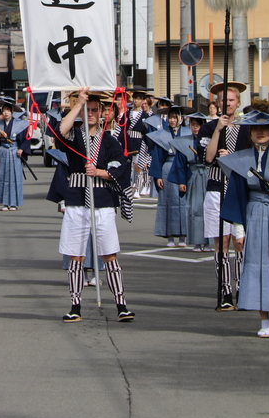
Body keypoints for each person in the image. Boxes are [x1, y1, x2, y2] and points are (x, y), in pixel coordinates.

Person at [57, 88, 134, 323]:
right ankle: (75, 304)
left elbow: (120, 168)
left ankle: (121, 303)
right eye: (87, 110)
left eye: (94, 110)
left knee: (110, 254)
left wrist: (100, 171)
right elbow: (60, 131)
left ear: (101, 112)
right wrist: (78, 105)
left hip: (102, 200)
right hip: (77, 199)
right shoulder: (75, 136)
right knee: (76, 256)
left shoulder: (110, 140)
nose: (90, 114)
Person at [220, 112, 269, 338]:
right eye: (255, 130)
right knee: (256, 267)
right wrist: (239, 229)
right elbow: (236, 194)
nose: (260, 132)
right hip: (254, 213)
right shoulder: (242, 158)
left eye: (265, 129)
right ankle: (264, 321)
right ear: (250, 134)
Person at [197, 82, 251, 310]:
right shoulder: (208, 128)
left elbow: (251, 161)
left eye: (231, 100)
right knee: (222, 241)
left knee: (240, 241)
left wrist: (233, 157)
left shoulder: (247, 128)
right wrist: (218, 129)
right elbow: (206, 159)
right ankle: (225, 289)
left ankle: (242, 287)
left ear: (238, 102)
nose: (227, 104)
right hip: (216, 186)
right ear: (217, 103)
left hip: (239, 188)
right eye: (223, 100)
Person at [147, 106, 191, 247]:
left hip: (182, 168)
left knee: (183, 202)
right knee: (167, 203)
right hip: (167, 168)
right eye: (170, 117)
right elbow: (157, 156)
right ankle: (170, 236)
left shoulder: (187, 132)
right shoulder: (162, 134)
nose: (172, 120)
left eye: (174, 117)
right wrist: (158, 176)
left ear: (180, 119)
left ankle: (183, 236)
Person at [168, 113, 210, 251]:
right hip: (193, 176)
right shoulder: (184, 141)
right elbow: (180, 164)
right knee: (194, 208)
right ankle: (197, 242)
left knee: (209, 209)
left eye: (198, 125)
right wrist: (182, 181)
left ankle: (209, 242)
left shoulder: (210, 140)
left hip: (208, 175)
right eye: (193, 125)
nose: (195, 128)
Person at [0, 98, 31, 210]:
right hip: (2, 151)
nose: (6, 113)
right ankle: (5, 203)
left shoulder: (20, 124)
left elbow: (26, 139)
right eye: (4, 111)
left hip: (14, 151)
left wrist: (21, 149)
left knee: (15, 177)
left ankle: (14, 203)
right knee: (2, 177)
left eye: (8, 110)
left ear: (12, 112)